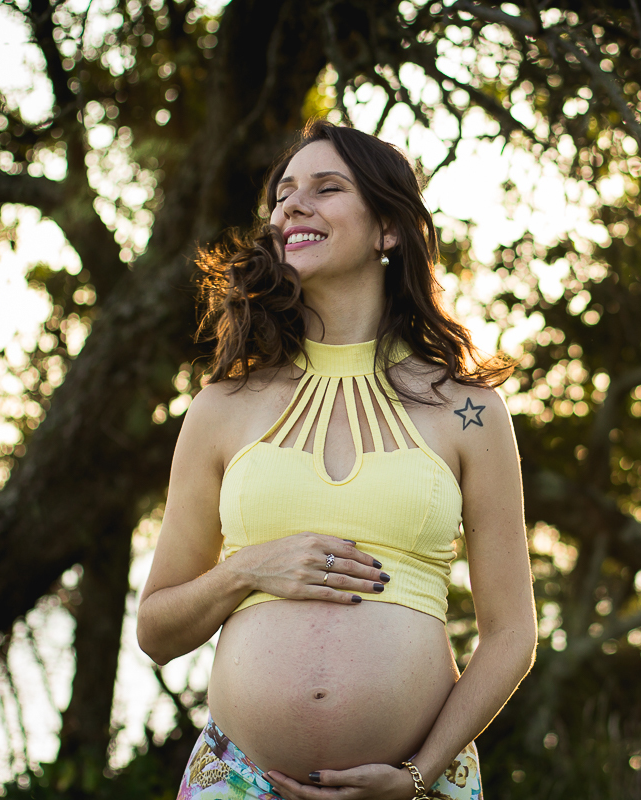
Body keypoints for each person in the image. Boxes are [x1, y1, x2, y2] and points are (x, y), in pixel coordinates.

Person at [136, 120, 537, 800]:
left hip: (415, 786)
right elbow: (156, 629)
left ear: (388, 230)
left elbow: (511, 635)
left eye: (326, 188)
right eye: (284, 194)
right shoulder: (223, 405)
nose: (293, 205)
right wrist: (247, 569)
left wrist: (416, 775)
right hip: (238, 781)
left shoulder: (467, 409)